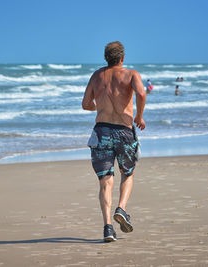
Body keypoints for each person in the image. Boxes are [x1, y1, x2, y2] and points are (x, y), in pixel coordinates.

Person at [82, 41, 146, 242]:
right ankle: (122, 208)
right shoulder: (131, 74)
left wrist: (100, 108)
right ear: (123, 58)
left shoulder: (96, 76)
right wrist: (139, 116)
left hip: (101, 132)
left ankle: (108, 227)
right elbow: (142, 94)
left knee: (105, 181)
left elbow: (85, 104)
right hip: (124, 132)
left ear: (105, 57)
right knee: (127, 173)